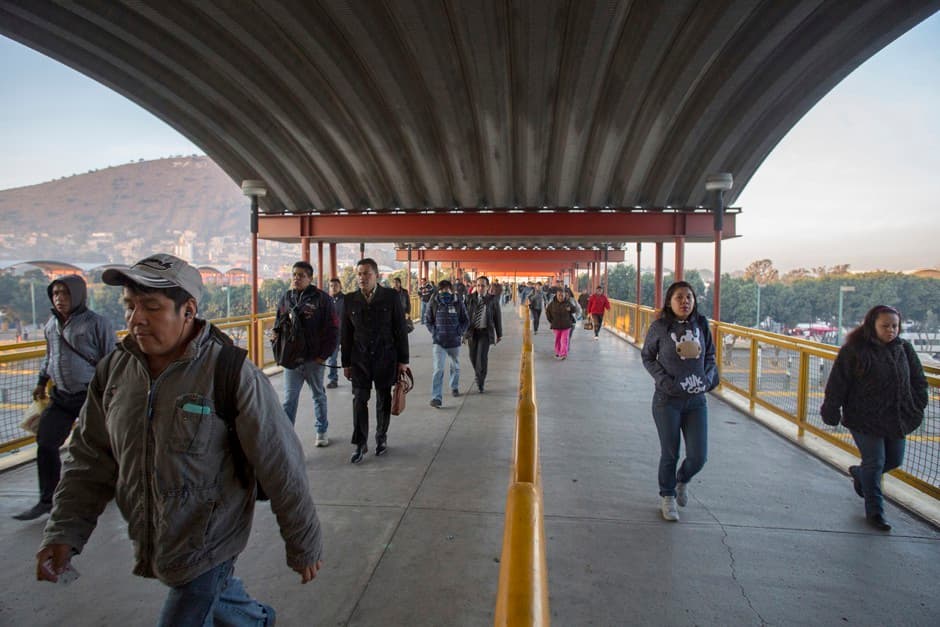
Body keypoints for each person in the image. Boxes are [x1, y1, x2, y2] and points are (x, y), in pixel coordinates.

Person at [35, 254, 322, 625]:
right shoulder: (114, 373)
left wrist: (303, 541)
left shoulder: (230, 372)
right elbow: (90, 459)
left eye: (151, 307)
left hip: (212, 537)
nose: (136, 319)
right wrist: (64, 531)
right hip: (157, 537)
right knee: (219, 599)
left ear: (188, 311)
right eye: (130, 306)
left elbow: (281, 462)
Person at [14, 275, 116, 521]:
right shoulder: (51, 325)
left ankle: (111, 483)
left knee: (97, 445)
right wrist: (41, 381)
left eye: (65, 293)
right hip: (61, 395)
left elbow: (110, 359)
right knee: (46, 442)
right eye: (56, 293)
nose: (59, 298)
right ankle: (47, 500)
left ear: (78, 295)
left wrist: (109, 393)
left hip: (89, 395)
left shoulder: (97, 323)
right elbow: (49, 356)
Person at [821, 305, 927, 531]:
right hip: (863, 417)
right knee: (875, 462)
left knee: (894, 460)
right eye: (885, 326)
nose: (891, 330)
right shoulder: (854, 350)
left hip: (895, 417)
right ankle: (875, 512)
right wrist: (831, 409)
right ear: (872, 326)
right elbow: (838, 382)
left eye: (895, 326)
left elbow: (918, 379)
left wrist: (918, 402)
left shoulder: (904, 349)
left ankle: (860, 474)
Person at [641, 281, 717, 522]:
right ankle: (667, 495)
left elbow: (710, 356)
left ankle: (682, 479)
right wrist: (665, 381)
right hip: (667, 401)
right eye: (679, 297)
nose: (685, 301)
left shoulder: (701, 324)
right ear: (669, 302)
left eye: (689, 297)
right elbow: (647, 356)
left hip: (696, 401)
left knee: (698, 456)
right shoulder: (660, 327)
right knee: (670, 452)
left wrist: (707, 379)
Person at [342, 258, 410, 463]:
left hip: (385, 357)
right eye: (359, 274)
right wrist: (346, 363)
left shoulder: (390, 297)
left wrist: (403, 360)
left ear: (376, 276)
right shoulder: (350, 300)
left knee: (383, 399)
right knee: (359, 400)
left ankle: (381, 437)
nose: (362, 278)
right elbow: (346, 334)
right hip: (360, 359)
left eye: (367, 273)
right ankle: (360, 443)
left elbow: (400, 329)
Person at [274, 261, 338, 447]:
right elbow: (278, 323)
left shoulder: (322, 299)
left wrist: (323, 356)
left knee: (318, 396)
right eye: (294, 274)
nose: (297, 278)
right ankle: (287, 437)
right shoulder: (287, 298)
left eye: (301, 275)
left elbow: (333, 329)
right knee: (289, 400)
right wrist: (277, 344)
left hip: (313, 359)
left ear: (310, 278)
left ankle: (321, 431)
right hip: (291, 360)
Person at [426, 280, 469, 408]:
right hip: (439, 342)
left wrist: (459, 332)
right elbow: (428, 320)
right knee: (438, 369)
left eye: (447, 289)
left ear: (451, 289)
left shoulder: (458, 302)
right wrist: (435, 332)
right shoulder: (434, 302)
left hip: (454, 341)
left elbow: (465, 320)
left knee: (455, 367)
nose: (444, 291)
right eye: (442, 289)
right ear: (438, 290)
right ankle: (436, 397)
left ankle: (454, 386)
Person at [463, 276, 502, 393]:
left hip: (485, 332)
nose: (480, 288)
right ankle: (478, 373)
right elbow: (463, 316)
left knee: (482, 357)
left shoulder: (492, 300)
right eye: (478, 285)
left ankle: (480, 381)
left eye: (483, 286)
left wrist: (499, 333)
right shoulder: (469, 298)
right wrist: (463, 333)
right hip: (472, 332)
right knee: (473, 356)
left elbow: (497, 317)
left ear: (487, 287)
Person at [545, 287, 578, 360]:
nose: (560, 297)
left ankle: (563, 354)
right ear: (556, 295)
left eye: (562, 295)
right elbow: (548, 312)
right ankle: (557, 352)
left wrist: (570, 309)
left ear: (564, 295)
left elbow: (575, 309)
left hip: (566, 325)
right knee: (557, 339)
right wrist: (551, 321)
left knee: (564, 340)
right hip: (556, 325)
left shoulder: (568, 303)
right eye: (559, 295)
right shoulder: (552, 304)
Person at [326, 277, 345, 389]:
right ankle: (333, 379)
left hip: (346, 333)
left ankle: (356, 378)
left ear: (340, 287)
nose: (333, 288)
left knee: (352, 358)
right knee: (332, 359)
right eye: (331, 286)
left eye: (336, 286)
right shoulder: (326, 301)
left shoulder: (346, 300)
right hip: (333, 335)